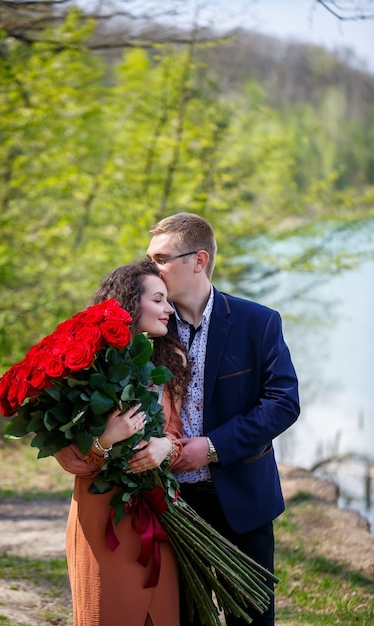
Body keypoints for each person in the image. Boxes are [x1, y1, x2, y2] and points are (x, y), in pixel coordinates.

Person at [146, 212, 300, 626]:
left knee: (251, 618)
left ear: (198, 260)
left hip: (243, 498)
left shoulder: (258, 322)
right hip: (172, 503)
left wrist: (211, 448)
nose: (151, 269)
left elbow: (283, 402)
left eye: (161, 259)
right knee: (184, 618)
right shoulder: (147, 327)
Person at [54, 260, 190, 626]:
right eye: (159, 300)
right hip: (102, 515)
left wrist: (166, 448)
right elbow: (68, 453)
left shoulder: (170, 359)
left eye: (169, 302)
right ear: (131, 304)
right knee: (107, 612)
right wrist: (105, 440)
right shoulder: (86, 364)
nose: (168, 309)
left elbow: (176, 432)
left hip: (157, 509)